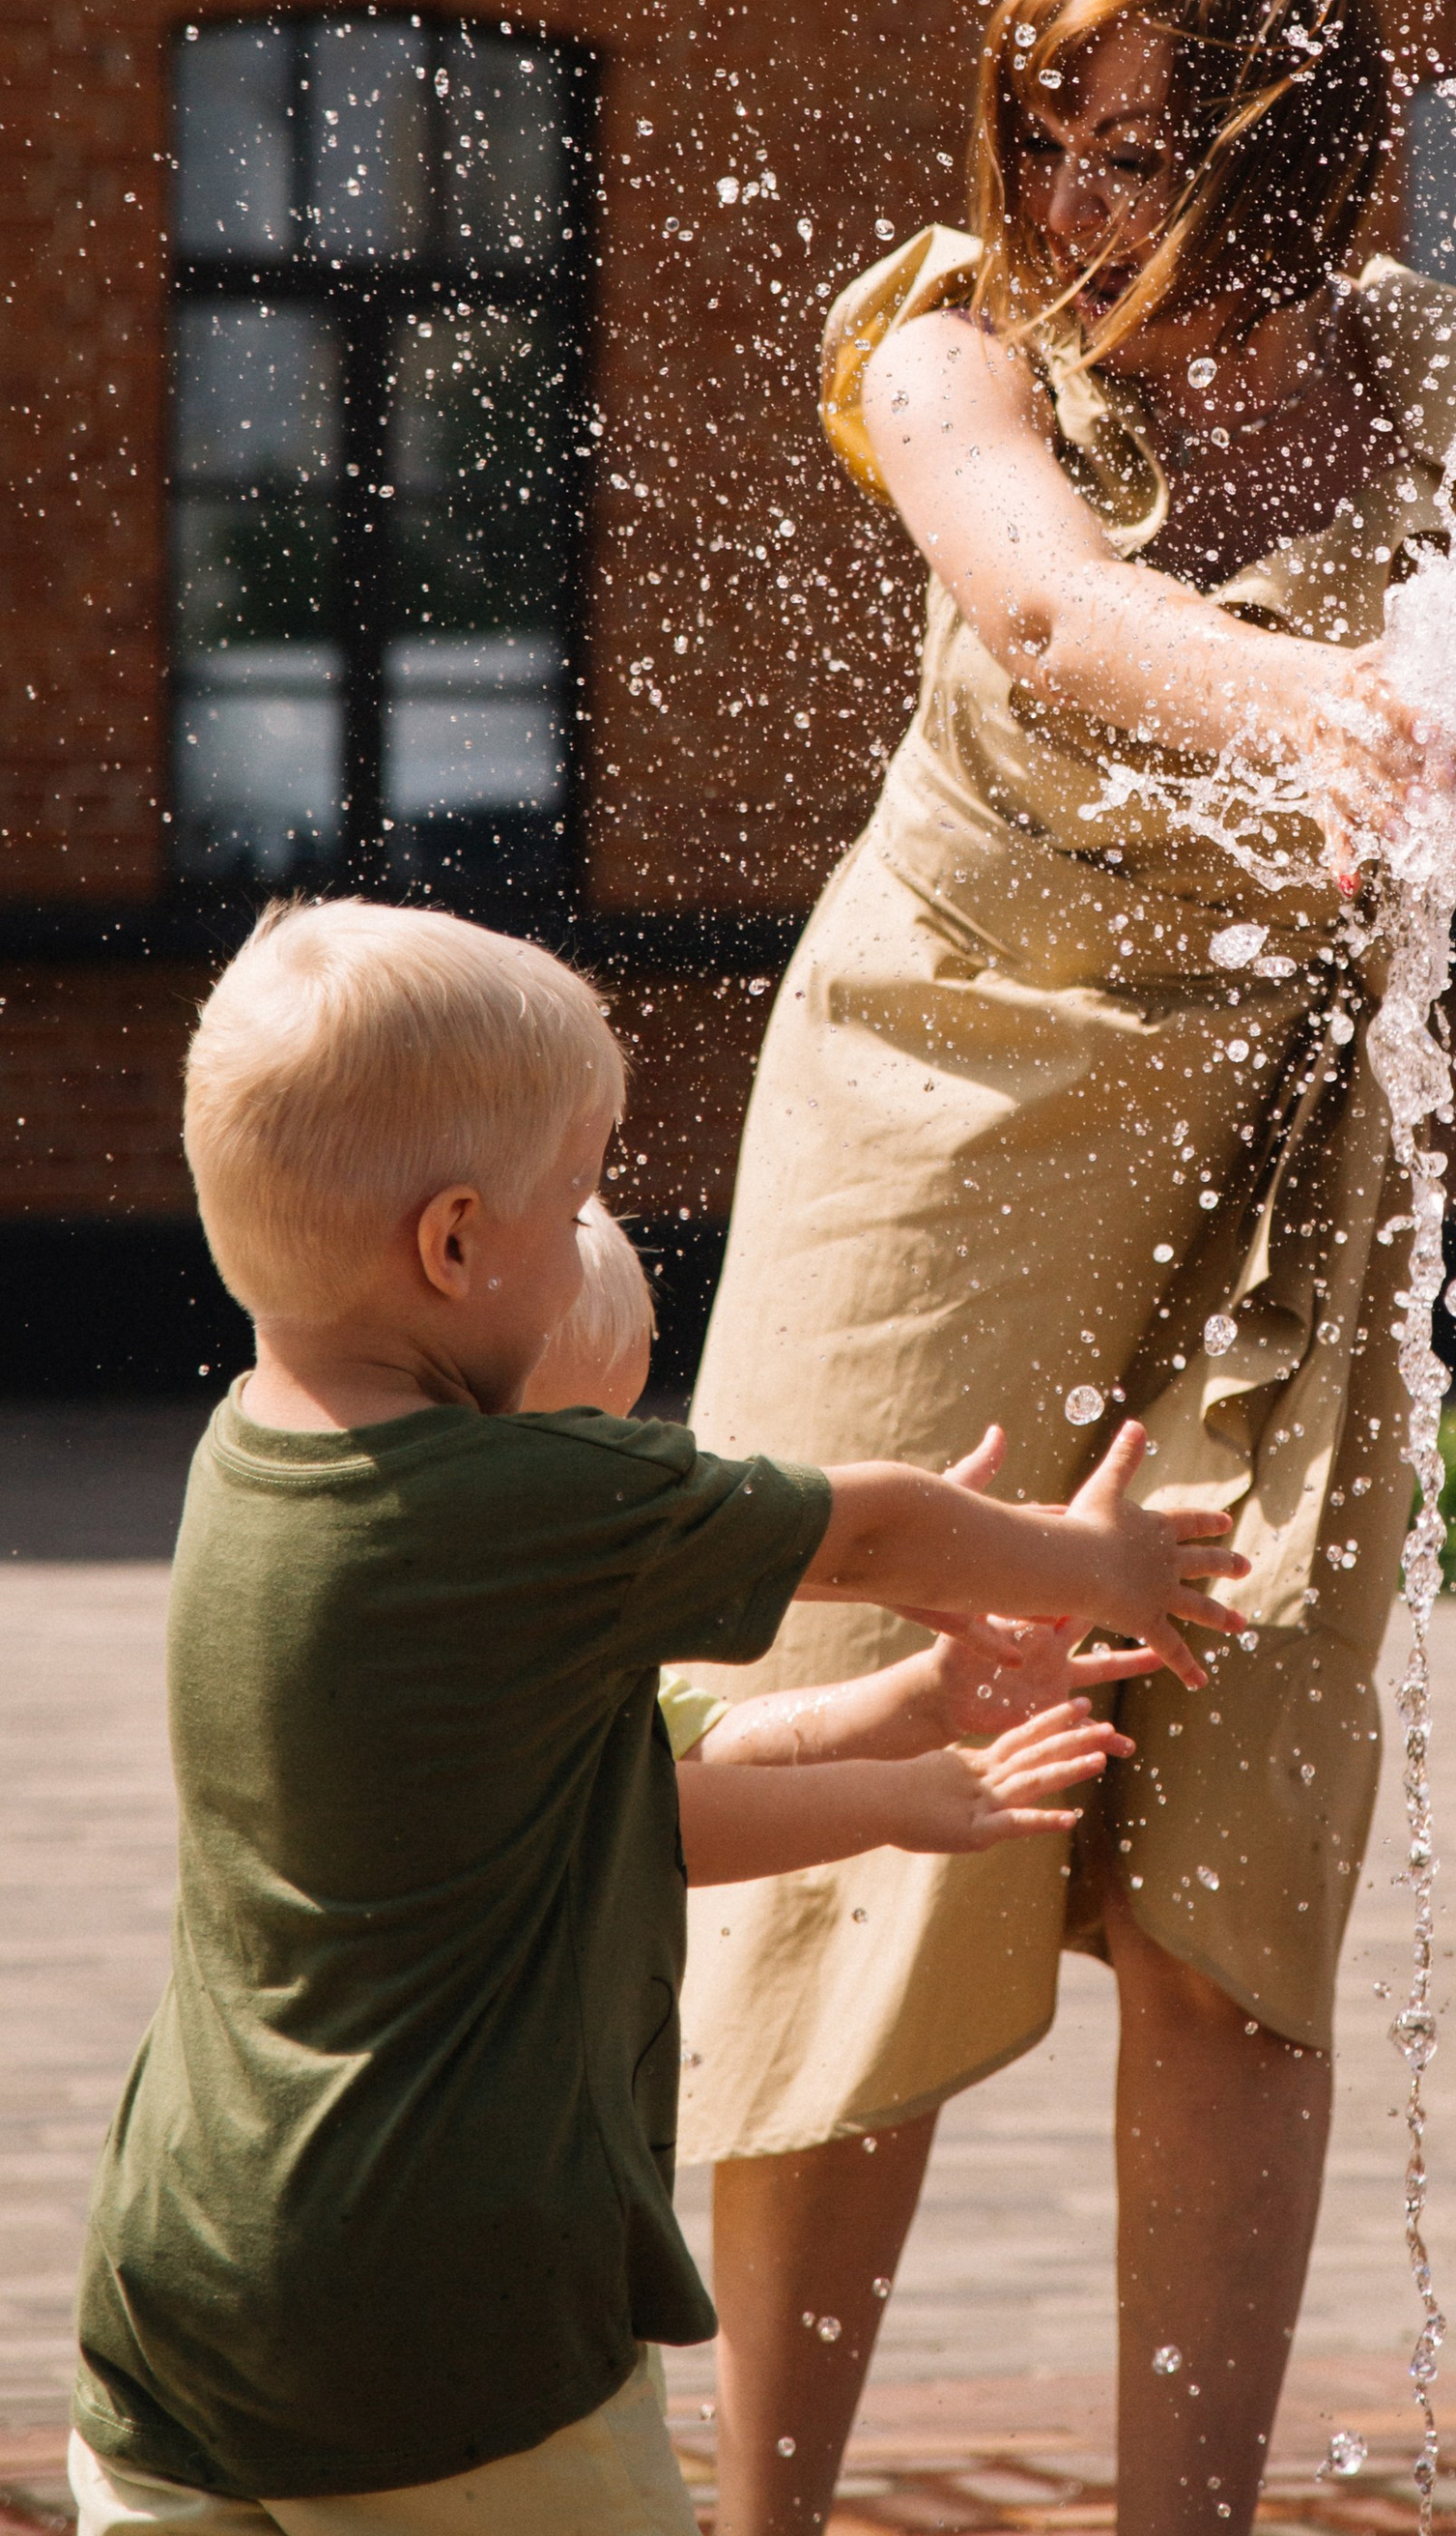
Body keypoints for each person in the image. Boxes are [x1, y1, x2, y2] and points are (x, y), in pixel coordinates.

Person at [683, 0, 1456, 2536]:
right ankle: (758, 2520)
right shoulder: (958, 344)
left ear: (1293, 174)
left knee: (1237, 1869)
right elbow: (1055, 616)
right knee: (865, 1813)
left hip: (1288, 1155)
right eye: (1043, 131)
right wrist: (1335, 704)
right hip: (945, 1121)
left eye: (1132, 152)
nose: (1068, 198)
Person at [70, 899, 1242, 2536]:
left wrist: (909, 1746)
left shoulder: (243, 1468)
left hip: (186, 2301)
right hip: (458, 2320)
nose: (596, 1235)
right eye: (580, 1198)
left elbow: (644, 1799)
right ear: (458, 1244)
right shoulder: (517, 1503)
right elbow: (879, 1526)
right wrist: (1088, 1559)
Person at [540, 1203, 1147, 1884]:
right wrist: (895, 1799)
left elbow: (695, 1753)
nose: (625, 1486)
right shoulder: (449, 1634)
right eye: (583, 1453)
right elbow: (637, 1821)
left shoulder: (549, 1616)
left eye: (622, 1435)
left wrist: (926, 1699)